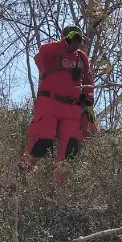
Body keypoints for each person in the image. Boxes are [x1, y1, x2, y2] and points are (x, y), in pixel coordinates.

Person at [19, 25, 95, 183]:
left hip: (72, 110)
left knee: (69, 150)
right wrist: (64, 43)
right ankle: (18, 178)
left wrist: (89, 116)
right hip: (49, 104)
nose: (76, 42)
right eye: (72, 38)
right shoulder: (52, 51)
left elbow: (88, 87)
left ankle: (58, 194)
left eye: (78, 39)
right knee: (41, 144)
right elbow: (42, 52)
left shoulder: (82, 58)